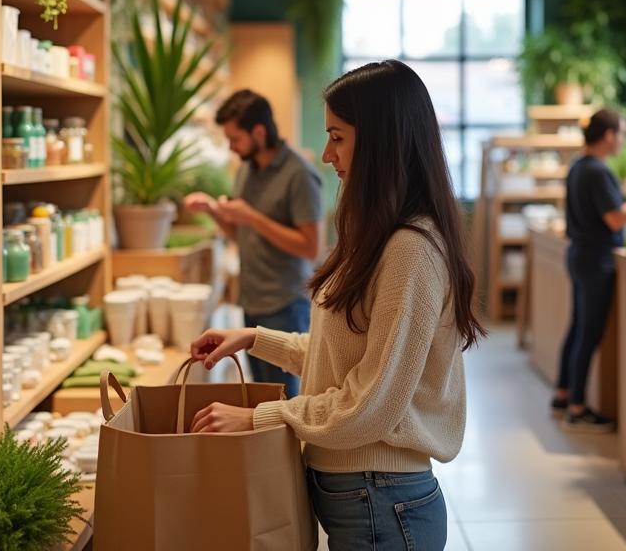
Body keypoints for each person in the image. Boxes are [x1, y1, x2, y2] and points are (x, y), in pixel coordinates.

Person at [185, 61, 485, 551]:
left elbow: (372, 402)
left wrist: (264, 415)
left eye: (338, 137)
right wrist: (257, 340)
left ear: (382, 140)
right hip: (363, 495)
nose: (326, 154)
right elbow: (346, 356)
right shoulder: (378, 234)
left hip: (381, 498)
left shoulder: (410, 249)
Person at [183, 90, 323, 398]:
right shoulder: (246, 169)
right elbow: (240, 235)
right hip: (252, 301)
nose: (232, 147)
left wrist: (252, 216)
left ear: (259, 131)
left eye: (235, 139)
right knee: (260, 395)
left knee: (283, 398)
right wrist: (212, 210)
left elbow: (312, 248)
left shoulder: (299, 174)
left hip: (284, 304)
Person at [553, 109, 626, 432]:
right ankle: (577, 407)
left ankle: (563, 393)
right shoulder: (597, 171)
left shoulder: (579, 165)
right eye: (622, 133)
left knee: (577, 326)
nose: (623, 140)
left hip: (580, 255)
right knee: (588, 332)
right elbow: (615, 218)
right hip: (597, 259)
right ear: (609, 135)